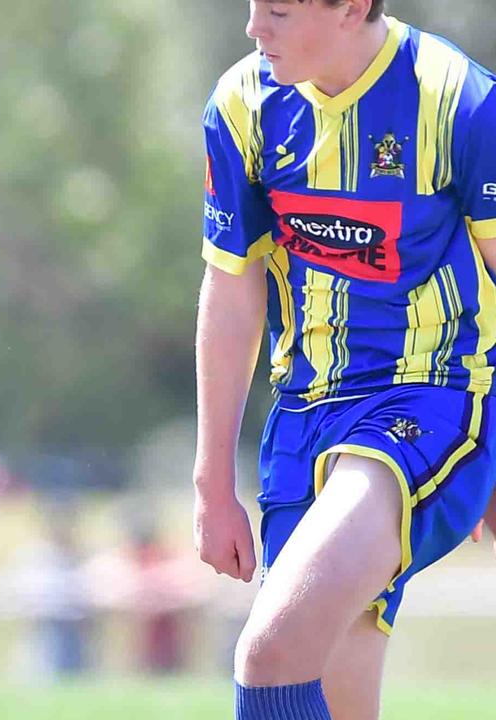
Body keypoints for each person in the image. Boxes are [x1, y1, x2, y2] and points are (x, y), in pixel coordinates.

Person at [193, 1, 496, 718]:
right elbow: (232, 295)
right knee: (332, 698)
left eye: (281, 10)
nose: (254, 28)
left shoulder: (459, 100)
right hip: (302, 424)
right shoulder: (243, 103)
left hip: (427, 403)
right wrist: (211, 483)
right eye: (252, 5)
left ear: (352, 7)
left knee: (270, 654)